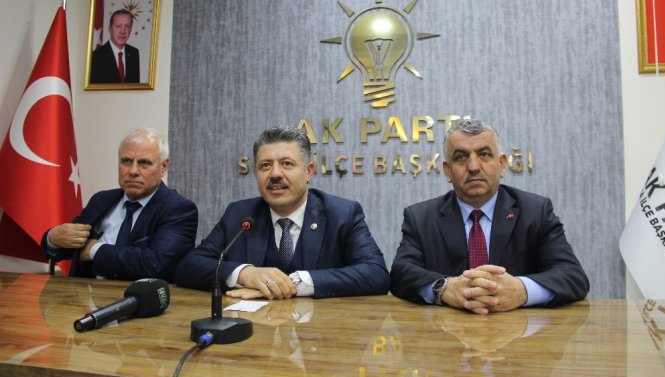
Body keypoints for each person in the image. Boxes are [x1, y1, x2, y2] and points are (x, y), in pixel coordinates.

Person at [390, 118, 589, 314]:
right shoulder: (421, 218)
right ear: (448, 171)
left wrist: (522, 290)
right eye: (461, 157)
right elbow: (401, 274)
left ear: (502, 164)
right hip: (447, 331)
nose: (473, 166)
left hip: (519, 331)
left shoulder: (536, 212)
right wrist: (443, 289)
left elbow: (572, 276)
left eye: (484, 154)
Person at [175, 126, 389, 299]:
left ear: (309, 171)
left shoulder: (342, 214)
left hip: (319, 332)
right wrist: (245, 274)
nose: (275, 174)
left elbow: (376, 274)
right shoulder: (240, 214)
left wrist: (295, 283)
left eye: (286, 164)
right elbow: (189, 267)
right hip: (255, 332)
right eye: (265, 166)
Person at [41, 127, 198, 281]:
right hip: (84, 294)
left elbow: (157, 264)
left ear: (163, 167)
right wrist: (52, 238)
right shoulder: (101, 200)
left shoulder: (178, 209)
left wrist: (95, 250)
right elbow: (68, 246)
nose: (133, 171)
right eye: (126, 161)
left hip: (139, 296)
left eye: (144, 163)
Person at [89, 9, 140, 83]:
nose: (123, 31)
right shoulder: (95, 57)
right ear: (110, 29)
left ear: (131, 29)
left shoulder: (134, 53)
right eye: (118, 26)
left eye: (127, 26)